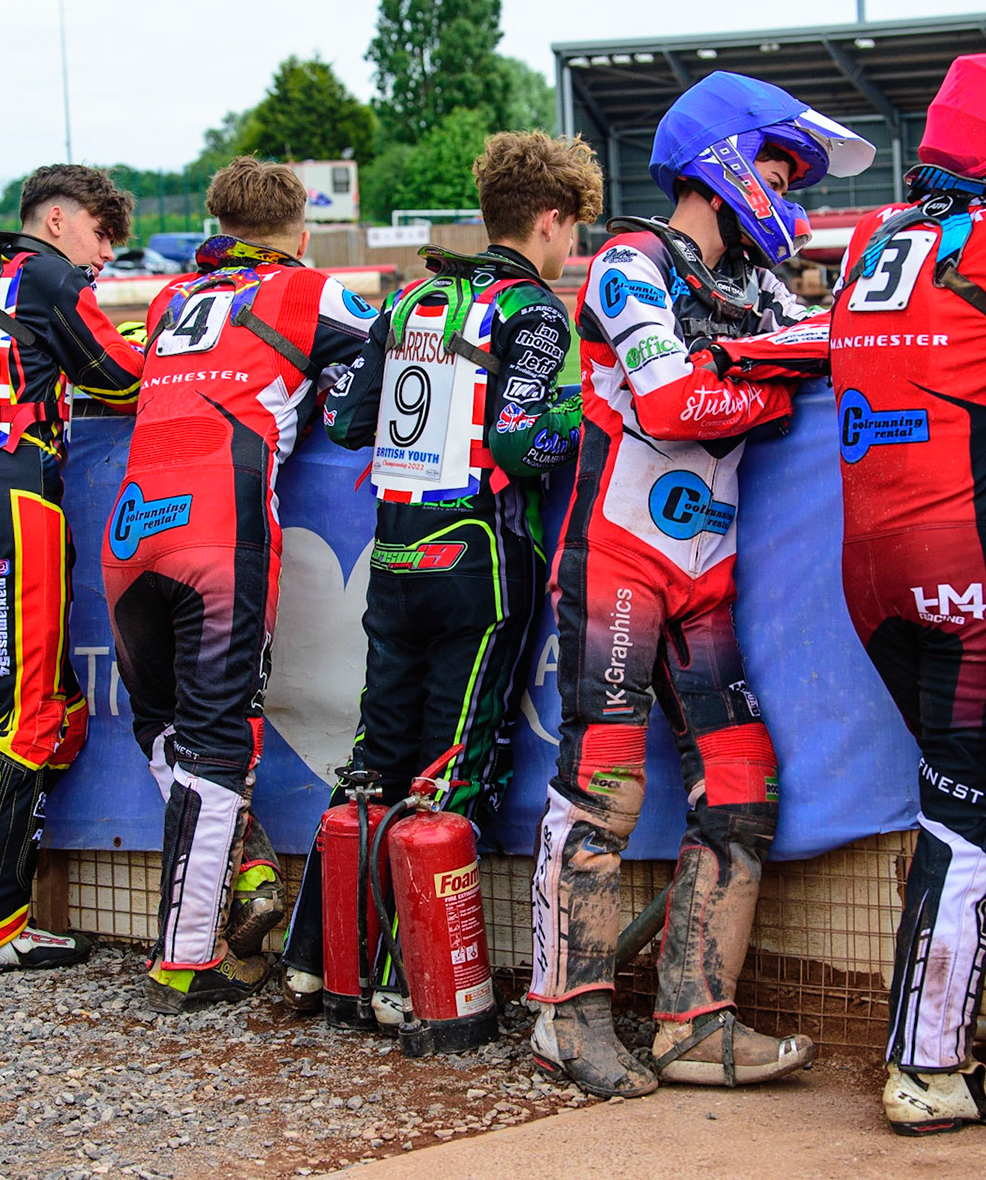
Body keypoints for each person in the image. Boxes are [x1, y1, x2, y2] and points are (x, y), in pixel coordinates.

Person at [716, 52, 986, 1132]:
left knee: (973, 785)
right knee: (962, 809)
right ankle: (923, 1065)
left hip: (870, 569)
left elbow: (850, 351)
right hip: (964, 551)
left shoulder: (869, 238)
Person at [526, 72, 873, 1098]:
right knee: (603, 789)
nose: (790, 195)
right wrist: (764, 377)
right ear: (722, 166)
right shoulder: (627, 262)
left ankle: (693, 1021)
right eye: (777, 169)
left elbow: (826, 347)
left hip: (705, 578)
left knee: (742, 782)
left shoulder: (753, 287)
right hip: (621, 561)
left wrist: (751, 361)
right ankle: (563, 1015)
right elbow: (678, 401)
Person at [280, 130, 603, 1021]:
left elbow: (344, 420)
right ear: (548, 221)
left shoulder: (412, 298)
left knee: (373, 762)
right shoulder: (534, 311)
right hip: (479, 564)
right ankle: (399, 984)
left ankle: (318, 964)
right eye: (572, 230)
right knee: (448, 771)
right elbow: (518, 439)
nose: (572, 248)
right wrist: (583, 416)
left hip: (393, 557)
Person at [104, 157, 376, 1013]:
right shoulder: (312, 290)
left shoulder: (168, 299)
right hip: (219, 529)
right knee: (219, 740)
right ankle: (187, 959)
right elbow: (399, 363)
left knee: (162, 726)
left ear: (215, 226)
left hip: (130, 526)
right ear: (300, 232)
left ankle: (247, 863)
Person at [0, 165, 145, 974]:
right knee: (31, 714)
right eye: (100, 233)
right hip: (15, 503)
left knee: (43, 709)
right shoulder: (45, 274)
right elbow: (117, 376)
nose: (105, 253)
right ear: (54, 219)